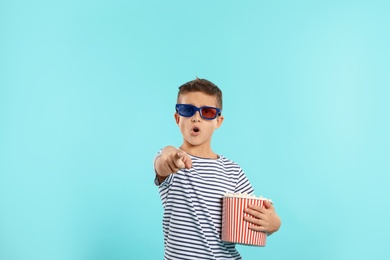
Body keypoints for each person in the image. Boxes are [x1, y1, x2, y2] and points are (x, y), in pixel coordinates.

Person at [154, 78, 281, 260]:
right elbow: (162, 162)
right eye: (187, 110)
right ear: (177, 117)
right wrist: (169, 156)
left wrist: (274, 224)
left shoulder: (233, 171)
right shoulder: (174, 162)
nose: (196, 117)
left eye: (207, 112)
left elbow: (253, 218)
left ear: (218, 121)